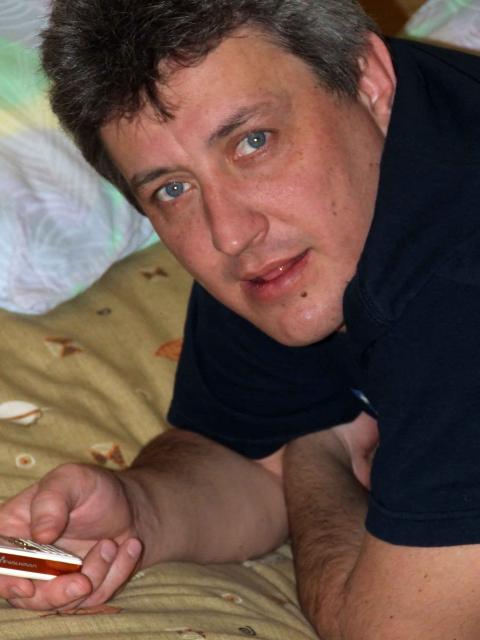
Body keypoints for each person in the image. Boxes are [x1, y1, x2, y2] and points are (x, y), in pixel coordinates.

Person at [1, 0, 480, 636]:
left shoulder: (457, 282)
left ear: (368, 78)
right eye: (171, 188)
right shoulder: (320, 209)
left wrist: (318, 451)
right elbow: (248, 452)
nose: (228, 233)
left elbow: (395, 629)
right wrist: (140, 511)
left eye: (252, 142)